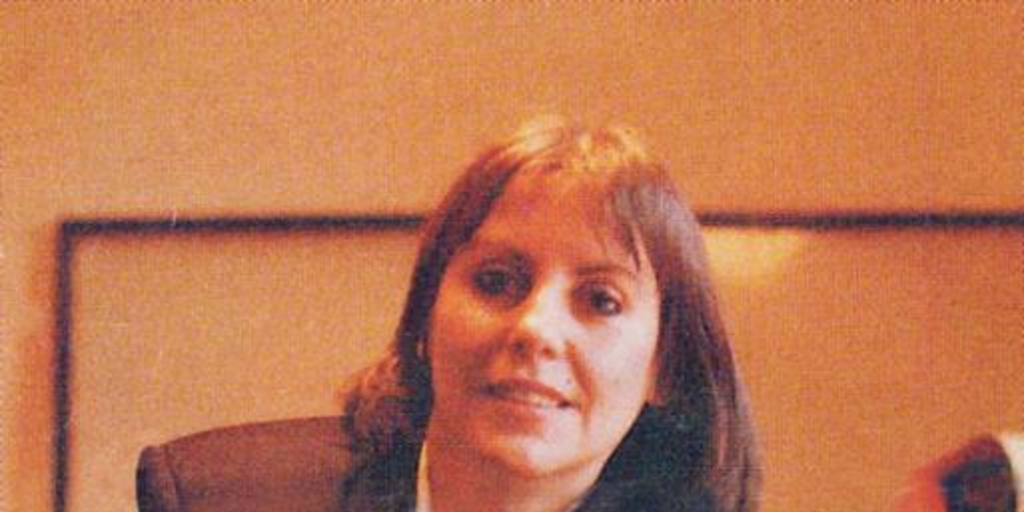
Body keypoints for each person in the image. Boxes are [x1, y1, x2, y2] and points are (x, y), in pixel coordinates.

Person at [339, 117, 761, 512]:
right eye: (496, 281)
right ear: (425, 315)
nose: (536, 327)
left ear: (665, 365)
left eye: (601, 301)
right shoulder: (298, 490)